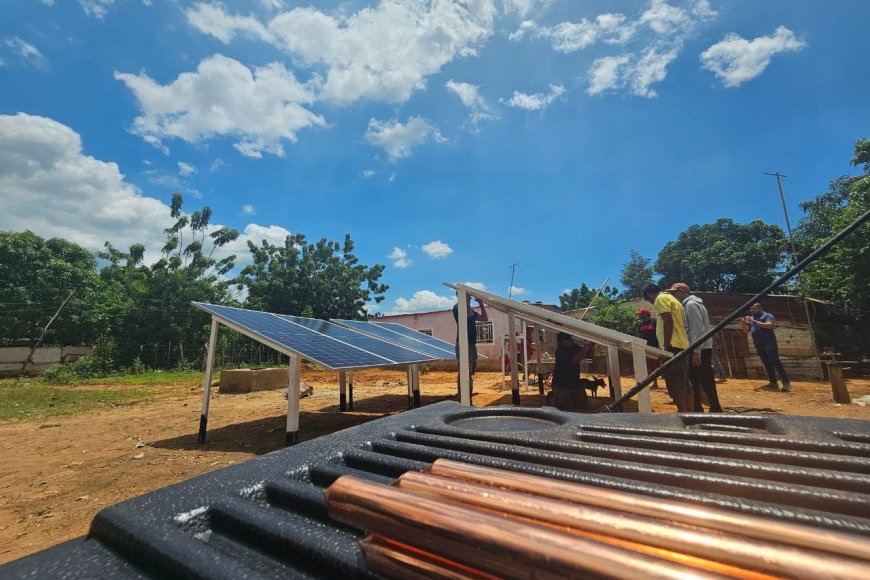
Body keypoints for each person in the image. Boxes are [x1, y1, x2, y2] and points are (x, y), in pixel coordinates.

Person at [667, 283, 722, 413]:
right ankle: (715, 407)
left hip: (697, 348)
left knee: (694, 380)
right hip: (702, 347)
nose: (673, 296)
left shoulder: (691, 305)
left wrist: (696, 351)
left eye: (674, 293)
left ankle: (697, 408)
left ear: (682, 291)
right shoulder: (694, 304)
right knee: (706, 379)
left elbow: (697, 329)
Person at [643, 284, 693, 412]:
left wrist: (665, 345)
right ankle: (690, 414)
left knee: (675, 382)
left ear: (648, 295)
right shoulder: (673, 300)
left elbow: (668, 321)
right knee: (684, 382)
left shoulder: (660, 299)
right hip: (681, 344)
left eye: (649, 300)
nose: (651, 303)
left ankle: (683, 414)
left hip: (672, 346)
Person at [742, 302, 791, 392]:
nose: (751, 310)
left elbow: (770, 325)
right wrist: (743, 323)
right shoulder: (752, 318)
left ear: (760, 308)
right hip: (758, 343)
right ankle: (773, 383)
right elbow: (746, 331)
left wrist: (754, 322)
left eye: (753, 308)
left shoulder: (767, 315)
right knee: (766, 362)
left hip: (769, 342)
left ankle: (786, 383)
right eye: (751, 309)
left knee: (775, 361)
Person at [453, 294, 488, 396]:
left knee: (471, 370)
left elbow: (485, 318)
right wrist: (466, 300)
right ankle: (463, 398)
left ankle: (468, 397)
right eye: (467, 297)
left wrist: (481, 303)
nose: (469, 299)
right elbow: (466, 315)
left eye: (469, 297)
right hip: (463, 343)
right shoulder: (457, 307)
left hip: (471, 343)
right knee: (465, 370)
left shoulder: (471, 311)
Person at [550, 332, 592, 411]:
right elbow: (575, 360)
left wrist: (590, 346)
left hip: (575, 382)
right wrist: (585, 348)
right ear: (562, 342)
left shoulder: (574, 347)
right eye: (568, 340)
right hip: (561, 384)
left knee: (582, 405)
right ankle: (551, 400)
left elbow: (588, 355)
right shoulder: (560, 350)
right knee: (562, 408)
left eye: (571, 339)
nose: (571, 341)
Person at [636, 308, 661, 389]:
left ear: (645, 314)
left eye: (640, 314)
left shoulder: (654, 321)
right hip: (644, 347)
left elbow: (659, 333)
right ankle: (647, 383)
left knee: (655, 366)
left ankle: (655, 383)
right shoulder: (641, 323)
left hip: (654, 346)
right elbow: (638, 334)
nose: (639, 315)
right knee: (647, 366)